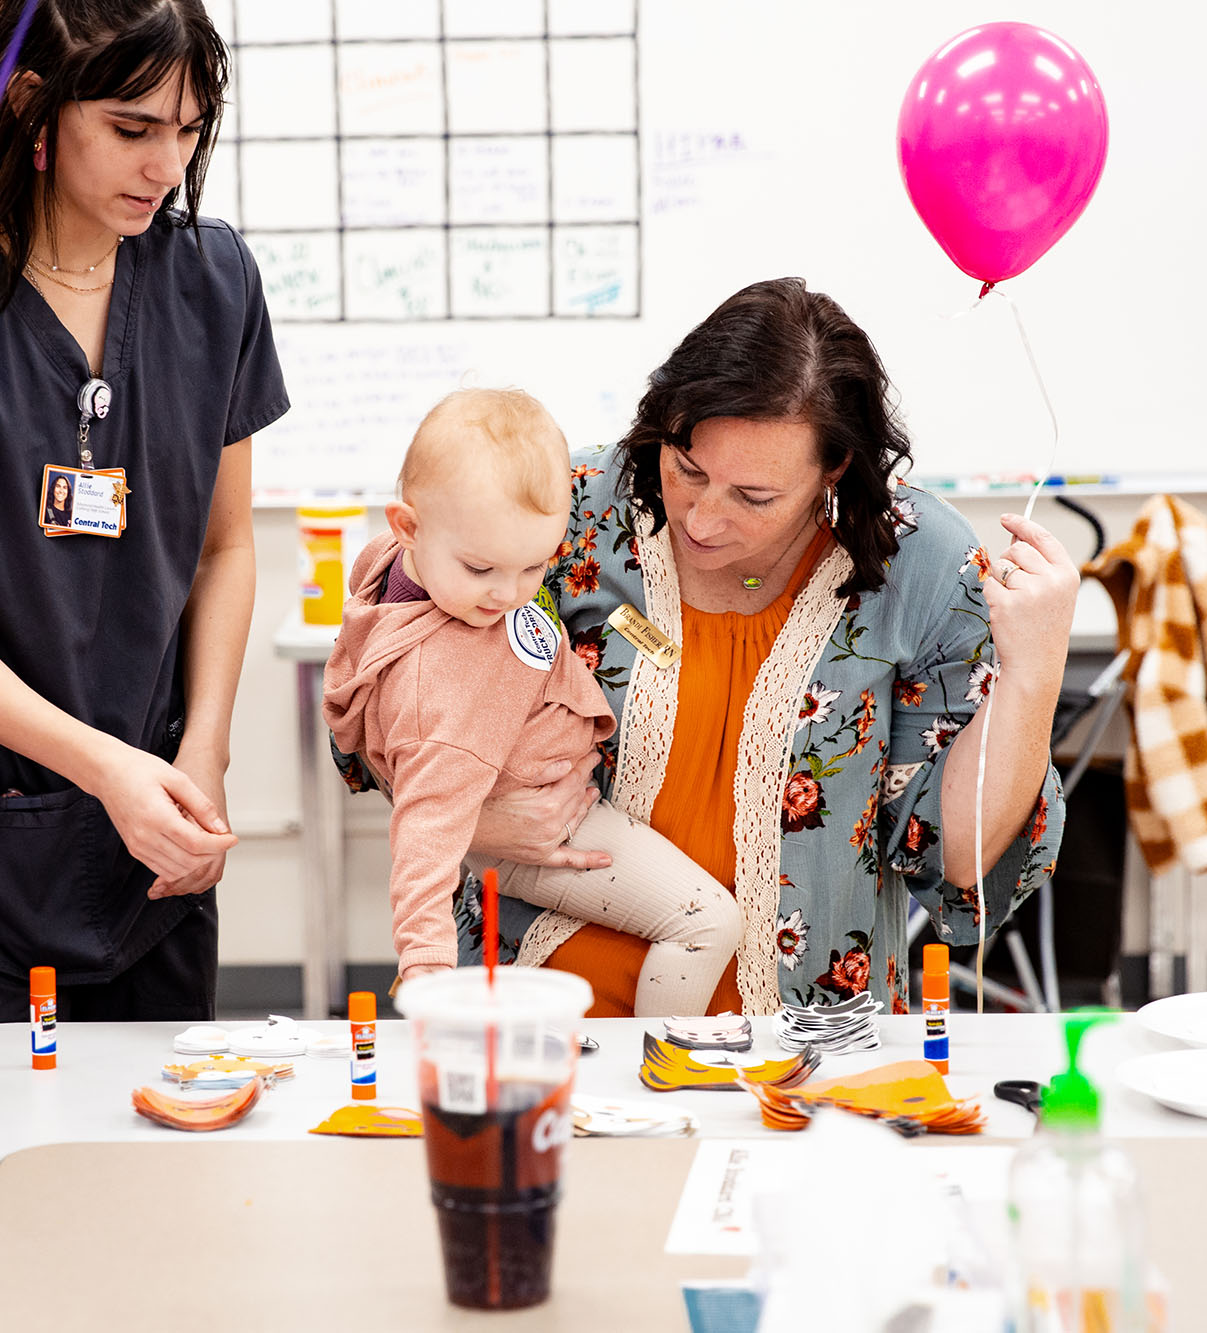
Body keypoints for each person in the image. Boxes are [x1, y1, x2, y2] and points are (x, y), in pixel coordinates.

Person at [0, 0, 286, 1286]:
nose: (165, 167)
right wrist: (109, 770)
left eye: (188, 132)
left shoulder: (210, 279)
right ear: (28, 106)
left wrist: (198, 753)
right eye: (131, 128)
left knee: (148, 1232)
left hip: (148, 854)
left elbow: (226, 547)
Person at [448, 278, 1072, 1016]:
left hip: (807, 1052)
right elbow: (384, 689)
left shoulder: (917, 564)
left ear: (833, 469)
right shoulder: (575, 505)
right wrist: (476, 819)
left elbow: (958, 856)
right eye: (687, 467)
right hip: (548, 1022)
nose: (704, 517)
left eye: (754, 497)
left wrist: (1033, 674)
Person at [322, 389, 737, 1016]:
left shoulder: (398, 564)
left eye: (532, 567)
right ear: (408, 525)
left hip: (510, 797)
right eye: (482, 568)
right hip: (544, 820)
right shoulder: (446, 683)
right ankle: (658, 1065)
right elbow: (426, 837)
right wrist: (427, 971)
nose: (509, 594)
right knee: (706, 922)